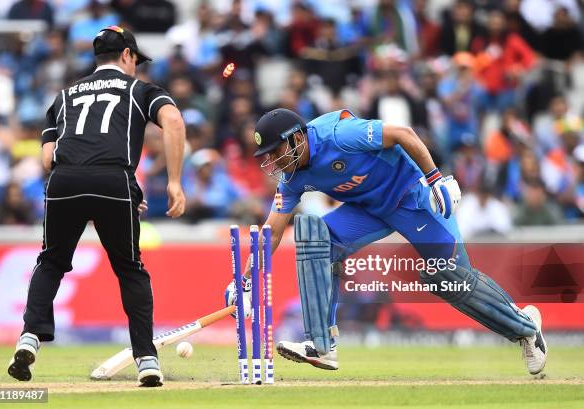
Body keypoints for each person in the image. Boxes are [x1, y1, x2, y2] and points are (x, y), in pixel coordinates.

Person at [226, 108, 547, 375]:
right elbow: (273, 229)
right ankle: (321, 345)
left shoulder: (338, 135)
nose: (274, 161)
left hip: (412, 198)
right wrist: (246, 281)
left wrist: (437, 179)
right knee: (312, 234)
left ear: (296, 138)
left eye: (275, 151)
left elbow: (403, 133)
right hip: (368, 210)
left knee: (449, 277)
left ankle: (525, 328)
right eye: (267, 156)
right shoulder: (293, 176)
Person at [8, 26, 186, 387]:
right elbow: (174, 121)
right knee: (130, 269)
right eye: (136, 59)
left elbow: (46, 159)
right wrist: (173, 181)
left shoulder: (64, 96)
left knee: (52, 261)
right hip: (112, 180)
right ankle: (147, 360)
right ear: (126, 56)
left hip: (64, 180)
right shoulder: (139, 90)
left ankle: (29, 336)